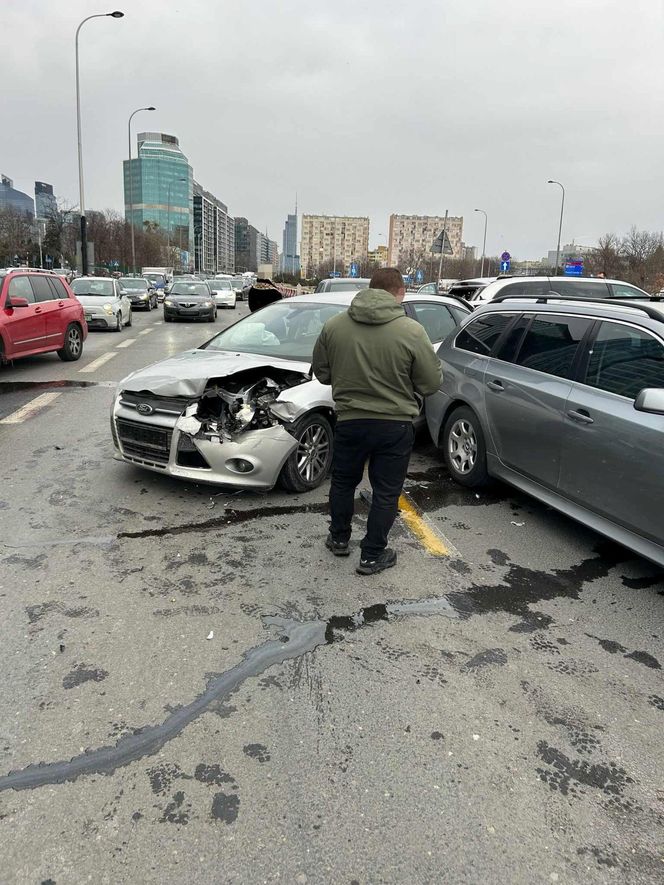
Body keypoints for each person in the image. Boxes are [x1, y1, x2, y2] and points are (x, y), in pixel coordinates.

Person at [312, 267, 442, 575]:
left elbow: (322, 372)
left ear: (370, 289)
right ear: (400, 293)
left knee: (343, 483)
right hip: (394, 425)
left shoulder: (334, 326)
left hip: (350, 421)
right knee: (386, 492)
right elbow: (430, 384)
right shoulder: (412, 331)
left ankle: (339, 539)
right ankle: (371, 555)